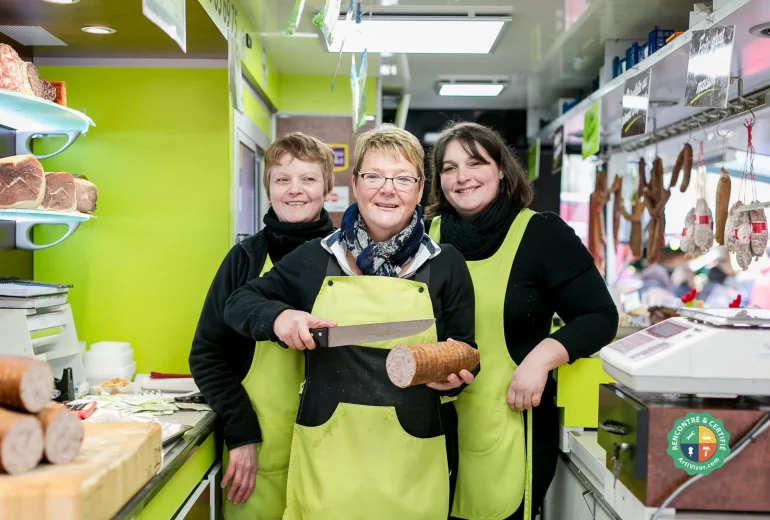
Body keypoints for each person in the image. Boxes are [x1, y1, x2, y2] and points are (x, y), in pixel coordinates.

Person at [223, 125, 477, 519]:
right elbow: (239, 303)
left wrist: (453, 380)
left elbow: (464, 350)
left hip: (411, 462)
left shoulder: (445, 264)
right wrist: (280, 317)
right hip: (327, 458)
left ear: (421, 189)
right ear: (356, 184)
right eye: (374, 176)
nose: (387, 189)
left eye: (403, 178)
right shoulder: (316, 257)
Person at [424, 121, 619, 520]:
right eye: (449, 167)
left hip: (513, 425)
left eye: (475, 163)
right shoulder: (426, 236)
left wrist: (542, 358)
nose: (462, 177)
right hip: (429, 429)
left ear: (500, 169)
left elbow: (600, 316)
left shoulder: (542, 234)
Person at [189, 132, 336, 519]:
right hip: (259, 450)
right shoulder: (243, 259)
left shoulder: (350, 258)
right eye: (282, 179)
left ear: (328, 188)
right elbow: (207, 354)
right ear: (268, 187)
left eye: (308, 179)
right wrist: (241, 433)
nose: (295, 190)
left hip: (336, 448)